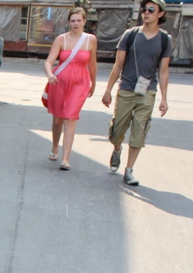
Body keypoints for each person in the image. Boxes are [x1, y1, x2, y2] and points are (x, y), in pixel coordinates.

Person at [102, 0, 172, 186]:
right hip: (126, 88)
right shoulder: (130, 35)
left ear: (160, 14)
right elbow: (118, 65)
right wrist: (108, 90)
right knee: (117, 131)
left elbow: (163, 71)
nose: (146, 12)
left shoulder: (165, 40)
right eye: (144, 9)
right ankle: (117, 149)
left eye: (151, 10)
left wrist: (164, 98)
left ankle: (129, 170)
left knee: (139, 131)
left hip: (147, 92)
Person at [44, 8, 97, 170]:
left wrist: (93, 84)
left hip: (80, 83)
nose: (75, 23)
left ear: (84, 21)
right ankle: (55, 147)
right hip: (59, 82)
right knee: (58, 119)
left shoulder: (90, 40)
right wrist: (49, 75)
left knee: (70, 118)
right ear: (69, 22)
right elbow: (48, 61)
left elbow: (92, 64)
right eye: (72, 20)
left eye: (78, 20)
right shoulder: (61, 39)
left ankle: (65, 158)